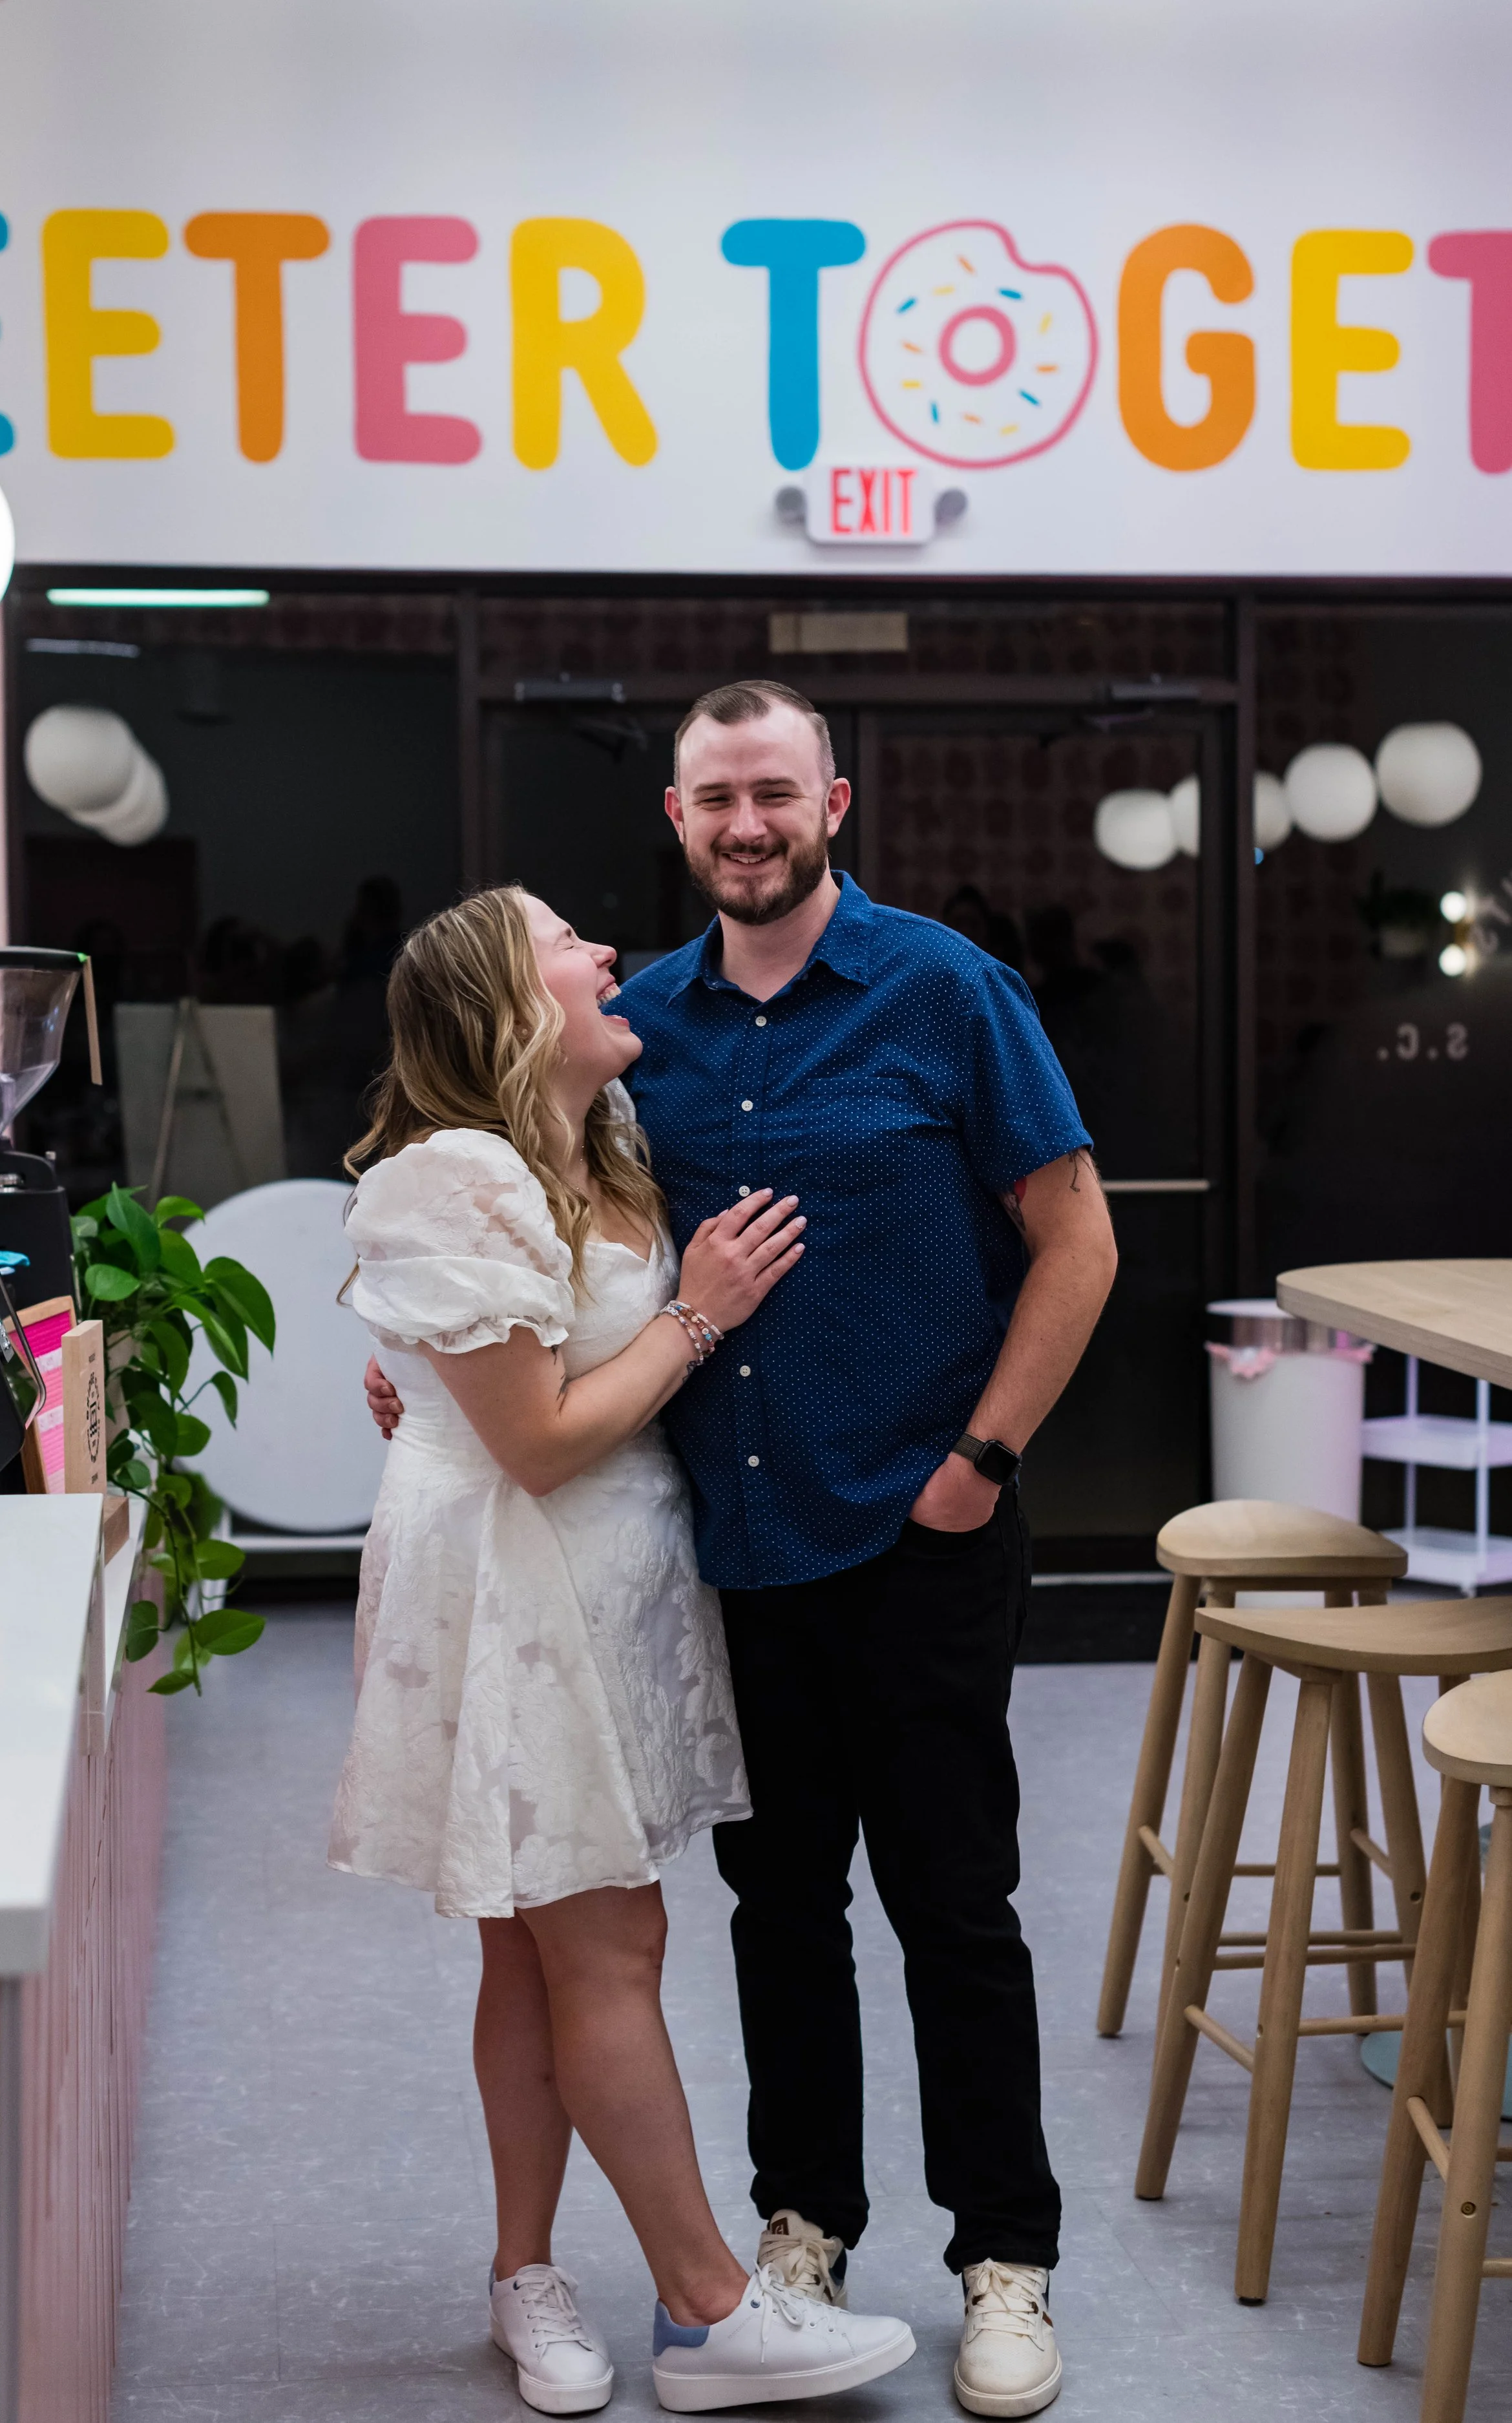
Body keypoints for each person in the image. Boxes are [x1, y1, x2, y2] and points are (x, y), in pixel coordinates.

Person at [368, 681, 1117, 2418]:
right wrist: (423, 1356)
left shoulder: (947, 989)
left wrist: (979, 1461)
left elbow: (1070, 1237)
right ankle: (802, 2227)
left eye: (775, 791)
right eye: (716, 798)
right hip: (726, 1547)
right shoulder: (636, 1031)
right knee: (777, 1913)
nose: (747, 823)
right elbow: (524, 1225)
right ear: (679, 819)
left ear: (832, 801)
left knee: (955, 1904)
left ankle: (1004, 2258)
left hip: (917, 1525)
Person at [331, 885, 916, 2416]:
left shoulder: (599, 1139)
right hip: (523, 1590)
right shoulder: (454, 1171)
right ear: (509, 1010)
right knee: (607, 1945)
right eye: (568, 944)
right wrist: (701, 1314)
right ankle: (710, 2309)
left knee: (532, 1949)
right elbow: (537, 1445)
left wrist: (444, 1380)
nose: (608, 955)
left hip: (600, 1590)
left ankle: (525, 2276)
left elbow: (505, 1365)